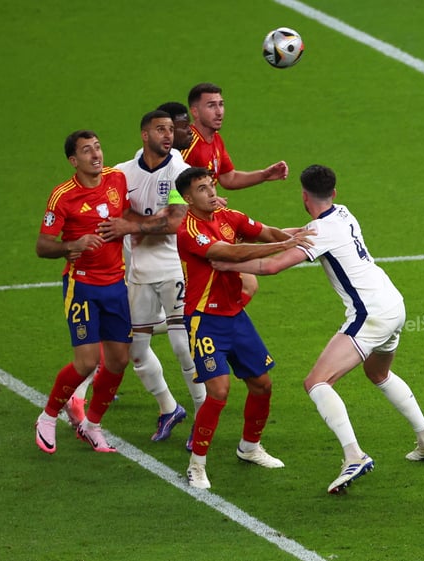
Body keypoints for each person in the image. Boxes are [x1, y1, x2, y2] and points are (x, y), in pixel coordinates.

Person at [212, 164, 424, 495]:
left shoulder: (319, 231)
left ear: (304, 196)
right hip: (394, 303)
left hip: (370, 314)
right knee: (378, 373)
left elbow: (272, 265)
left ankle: (354, 456)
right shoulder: (343, 214)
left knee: (316, 382)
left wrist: (228, 262)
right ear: (333, 193)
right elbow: (293, 236)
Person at [174, 166, 312, 489]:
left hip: (235, 317)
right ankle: (197, 464)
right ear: (188, 197)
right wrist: (284, 246)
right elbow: (229, 253)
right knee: (219, 391)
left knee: (262, 384)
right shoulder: (189, 230)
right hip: (204, 319)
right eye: (203, 189)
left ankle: (249, 447)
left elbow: (267, 231)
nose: (211, 192)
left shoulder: (229, 216)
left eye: (211, 185)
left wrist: (300, 240)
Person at [94, 110, 206, 443]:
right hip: (139, 273)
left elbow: (174, 221)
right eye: (160, 129)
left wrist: (131, 225)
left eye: (171, 129)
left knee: (182, 346)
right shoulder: (121, 174)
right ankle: (169, 408)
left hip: (174, 266)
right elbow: (110, 208)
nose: (168, 135)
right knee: (137, 350)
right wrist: (136, 220)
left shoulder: (180, 171)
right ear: (145, 135)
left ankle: (203, 419)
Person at [34, 130, 132, 454]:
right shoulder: (63, 196)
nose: (96, 154)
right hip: (83, 285)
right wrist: (71, 245)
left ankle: (91, 425)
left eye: (98, 147)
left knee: (118, 360)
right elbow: (42, 245)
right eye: (87, 151)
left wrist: (127, 227)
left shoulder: (117, 180)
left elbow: (128, 215)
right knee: (87, 361)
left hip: (116, 284)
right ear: (74, 161)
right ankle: (48, 417)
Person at [182, 82, 289, 307]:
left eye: (221, 104)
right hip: (194, 229)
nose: (219, 111)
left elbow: (228, 178)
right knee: (239, 285)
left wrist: (264, 174)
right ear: (195, 111)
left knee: (243, 285)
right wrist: (202, 200)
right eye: (211, 105)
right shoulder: (188, 146)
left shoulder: (215, 140)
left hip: (211, 220)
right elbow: (169, 189)